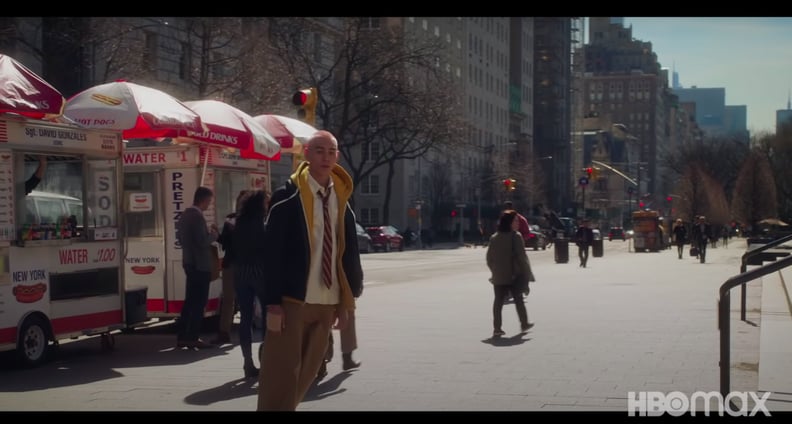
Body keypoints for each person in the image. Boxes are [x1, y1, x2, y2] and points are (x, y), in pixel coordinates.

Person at [257, 130, 364, 411]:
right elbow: (271, 253)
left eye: (331, 151)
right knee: (280, 375)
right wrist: (272, 302)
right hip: (293, 301)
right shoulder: (288, 197)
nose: (326, 157)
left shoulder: (341, 200)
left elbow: (348, 253)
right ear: (306, 153)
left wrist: (347, 301)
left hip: (327, 301)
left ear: (337, 157)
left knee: (308, 374)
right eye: (319, 150)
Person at [175, 186, 218, 349]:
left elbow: (180, 237)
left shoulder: (185, 216)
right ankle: (192, 336)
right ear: (203, 200)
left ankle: (182, 336)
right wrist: (213, 234)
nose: (209, 205)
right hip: (200, 264)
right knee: (199, 302)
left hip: (189, 262)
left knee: (189, 301)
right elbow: (202, 241)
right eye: (209, 201)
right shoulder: (197, 217)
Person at [233, 189, 269, 378]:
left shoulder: (239, 223)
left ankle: (248, 362)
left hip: (241, 273)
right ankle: (267, 359)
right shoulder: (262, 224)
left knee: (245, 319)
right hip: (259, 272)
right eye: (266, 202)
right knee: (266, 317)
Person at [486, 210, 534, 338]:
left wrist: (495, 271)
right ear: (509, 222)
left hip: (498, 275)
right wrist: (527, 274)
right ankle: (524, 323)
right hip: (514, 275)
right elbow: (521, 258)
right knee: (518, 300)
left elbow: (489, 258)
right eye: (516, 221)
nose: (518, 223)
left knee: (498, 302)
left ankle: (497, 328)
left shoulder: (494, 237)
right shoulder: (516, 236)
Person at [211, 190, 251, 346]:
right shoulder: (251, 220)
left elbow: (225, 242)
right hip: (242, 264)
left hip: (236, 264)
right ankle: (229, 332)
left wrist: (219, 236)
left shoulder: (232, 220)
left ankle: (225, 332)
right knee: (234, 299)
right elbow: (225, 242)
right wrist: (217, 235)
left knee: (231, 300)